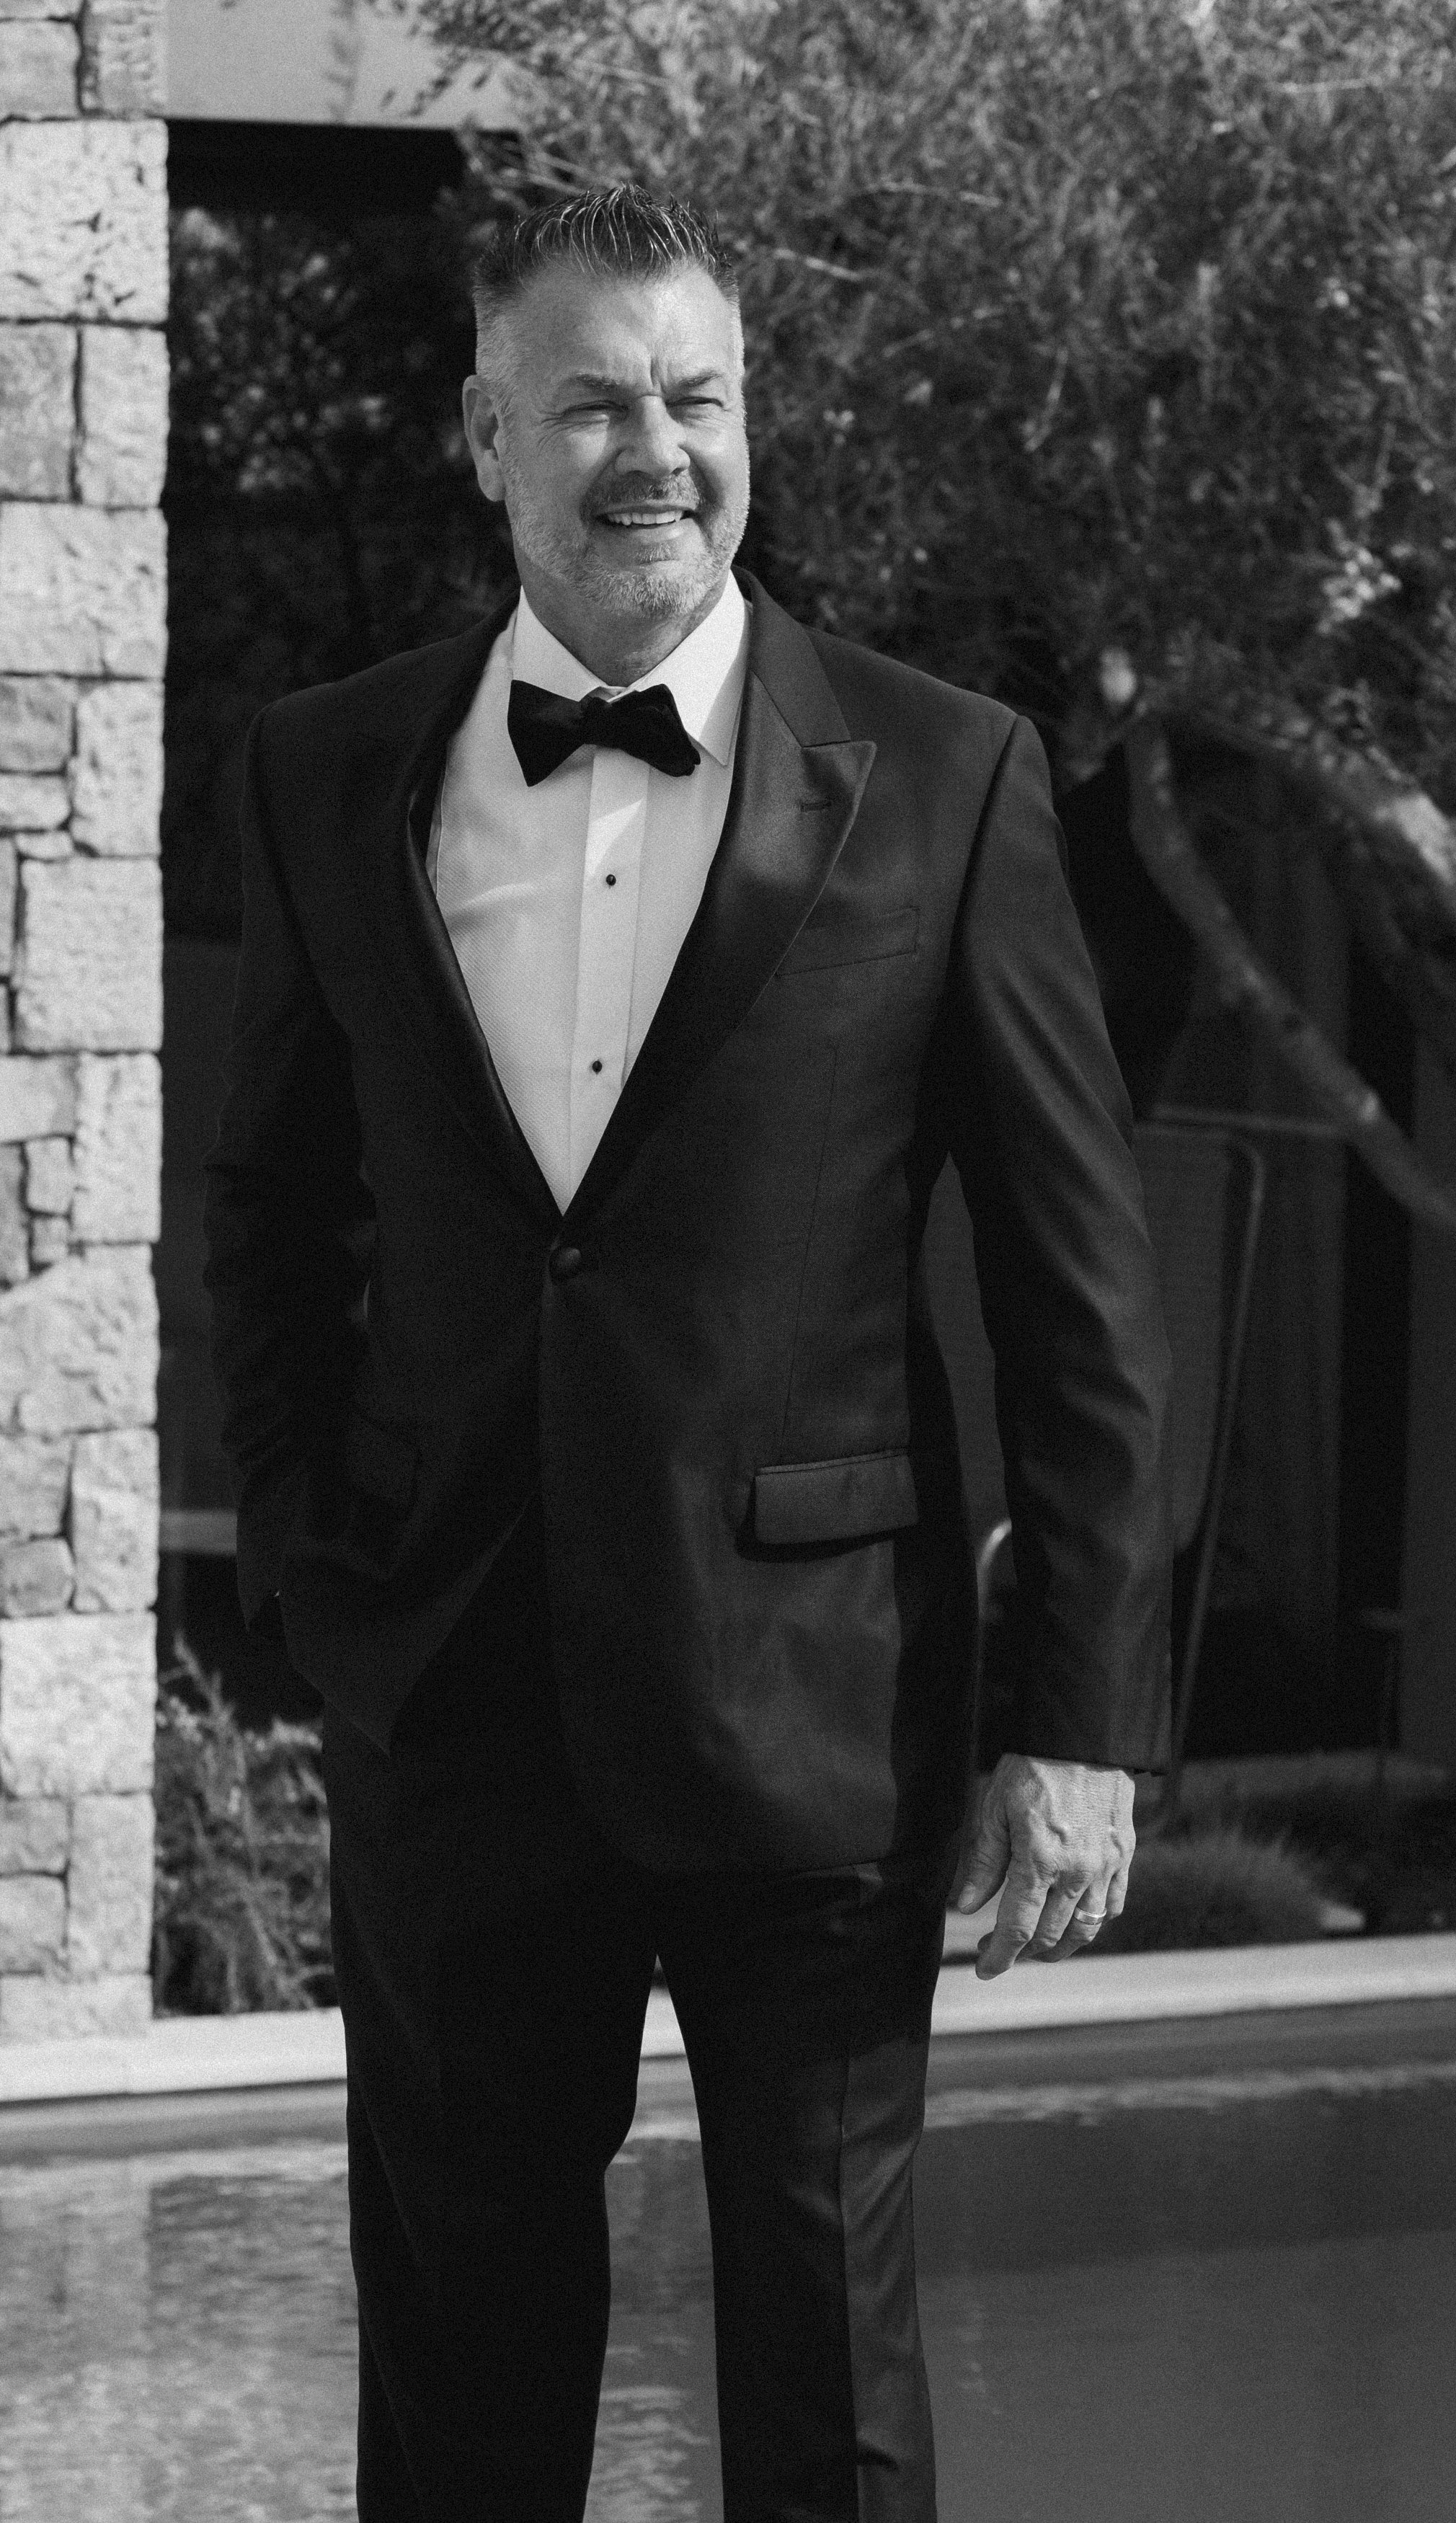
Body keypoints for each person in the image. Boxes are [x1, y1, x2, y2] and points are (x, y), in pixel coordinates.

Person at [203, 184, 1171, 2523]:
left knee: (829, 2403)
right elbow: (265, 1216)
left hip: (817, 1720)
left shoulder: (946, 779)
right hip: (453, 1703)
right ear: (482, 433)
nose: (658, 450)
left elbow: (1083, 1286)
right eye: (594, 401)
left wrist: (1077, 1720)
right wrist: (333, 1579)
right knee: (458, 2391)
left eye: (699, 395)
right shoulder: (328, 771)